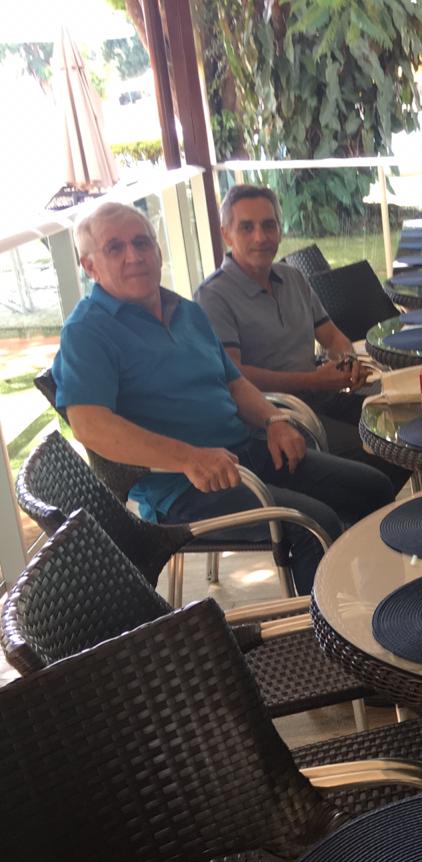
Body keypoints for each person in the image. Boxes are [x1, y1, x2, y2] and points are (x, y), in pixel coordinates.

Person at [52, 201, 395, 593]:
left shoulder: (185, 311)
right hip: (185, 487)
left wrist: (274, 420)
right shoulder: (87, 331)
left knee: (373, 486)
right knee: (311, 525)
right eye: (115, 248)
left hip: (246, 452)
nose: (134, 256)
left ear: (158, 251)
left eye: (142, 243)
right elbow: (91, 426)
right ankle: (325, 625)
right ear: (90, 266)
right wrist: (189, 457)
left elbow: (234, 382)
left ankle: (380, 596)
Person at [195, 184, 410, 491]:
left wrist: (346, 362)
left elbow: (332, 335)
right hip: (274, 416)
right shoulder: (213, 296)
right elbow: (235, 376)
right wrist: (314, 380)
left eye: (269, 225)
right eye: (247, 227)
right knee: (382, 451)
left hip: (321, 397)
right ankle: (373, 513)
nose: (260, 237)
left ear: (280, 231)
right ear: (226, 235)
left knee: (407, 425)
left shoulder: (292, 278)